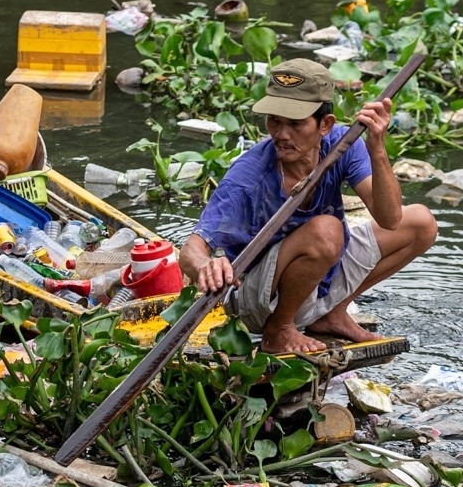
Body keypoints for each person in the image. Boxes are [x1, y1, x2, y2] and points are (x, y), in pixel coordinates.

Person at [180, 58, 438, 354]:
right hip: (258, 299)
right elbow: (191, 250)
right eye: (274, 120)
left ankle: (332, 313)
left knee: (420, 223)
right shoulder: (247, 177)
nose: (281, 134)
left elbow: (390, 218)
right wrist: (206, 265)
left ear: (325, 125)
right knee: (327, 230)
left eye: (295, 123)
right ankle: (279, 330)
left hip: (319, 275)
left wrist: (377, 147)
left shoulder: (343, 145)